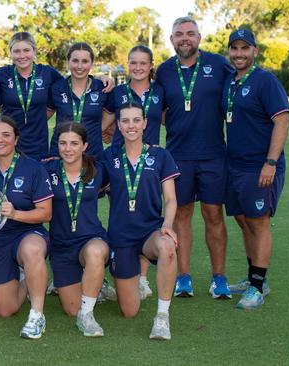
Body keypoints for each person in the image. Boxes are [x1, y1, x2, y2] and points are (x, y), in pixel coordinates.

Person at [155, 16, 234, 298]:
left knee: (213, 214)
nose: (184, 38)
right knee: (182, 215)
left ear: (199, 37)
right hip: (178, 157)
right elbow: (158, 109)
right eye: (179, 34)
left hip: (213, 155)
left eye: (190, 33)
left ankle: (219, 278)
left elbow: (238, 88)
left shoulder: (218, 65)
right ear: (172, 39)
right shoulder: (164, 71)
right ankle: (184, 277)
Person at [100, 102, 179, 340]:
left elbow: (171, 199)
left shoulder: (160, 155)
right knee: (129, 311)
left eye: (136, 120)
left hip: (149, 233)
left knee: (167, 246)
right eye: (125, 121)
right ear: (118, 126)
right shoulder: (109, 156)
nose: (131, 125)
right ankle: (123, 277)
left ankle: (162, 318)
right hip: (121, 237)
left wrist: (167, 225)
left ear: (145, 123)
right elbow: (88, 181)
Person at [222, 29, 289, 309]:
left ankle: (258, 287)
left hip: (259, 166)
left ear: (255, 51)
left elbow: (282, 120)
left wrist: (270, 163)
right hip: (234, 165)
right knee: (243, 219)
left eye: (244, 48)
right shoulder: (231, 81)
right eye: (234, 48)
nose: (239, 54)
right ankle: (254, 278)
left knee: (259, 222)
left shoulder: (265, 81)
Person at [0, 115, 54, 339]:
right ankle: (29, 277)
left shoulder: (33, 168)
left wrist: (16, 213)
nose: (1, 140)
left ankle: (37, 314)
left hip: (27, 232)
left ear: (16, 139)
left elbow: (46, 213)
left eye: (6, 135)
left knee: (32, 250)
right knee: (4, 310)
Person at [103, 45, 166, 300]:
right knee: (123, 214)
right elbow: (105, 124)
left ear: (151, 65)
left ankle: (142, 279)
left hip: (148, 163)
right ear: (127, 65)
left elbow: (167, 120)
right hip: (120, 162)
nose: (138, 67)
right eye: (133, 63)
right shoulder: (117, 92)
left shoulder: (160, 92)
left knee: (146, 215)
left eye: (143, 63)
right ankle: (120, 267)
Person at [46, 122, 109, 337]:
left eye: (74, 143)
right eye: (63, 143)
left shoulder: (98, 169)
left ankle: (88, 315)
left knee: (96, 252)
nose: (68, 148)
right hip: (62, 246)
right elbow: (17, 164)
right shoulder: (46, 170)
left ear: (85, 145)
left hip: (91, 239)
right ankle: (94, 283)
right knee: (72, 309)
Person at [0, 32, 63, 160]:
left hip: (39, 145)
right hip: (8, 144)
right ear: (10, 53)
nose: (22, 56)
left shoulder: (47, 73)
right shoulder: (1, 74)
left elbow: (73, 85)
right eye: (17, 51)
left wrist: (101, 80)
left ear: (34, 51)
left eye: (26, 50)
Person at [49, 42, 110, 157]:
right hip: (61, 155)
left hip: (92, 156)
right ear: (68, 62)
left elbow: (112, 112)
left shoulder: (102, 88)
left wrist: (99, 129)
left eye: (85, 61)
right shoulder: (56, 88)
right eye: (75, 61)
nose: (80, 66)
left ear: (92, 63)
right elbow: (43, 115)